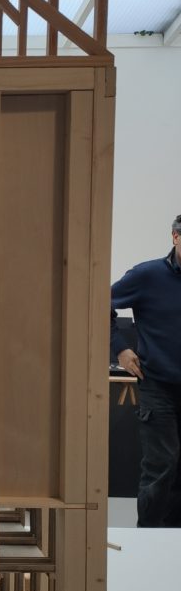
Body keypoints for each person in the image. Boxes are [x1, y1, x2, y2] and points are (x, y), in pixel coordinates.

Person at [110, 215, 181, 527]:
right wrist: (120, 348)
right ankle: (148, 536)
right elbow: (97, 303)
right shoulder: (147, 275)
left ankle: (173, 540)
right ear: (175, 237)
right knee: (162, 464)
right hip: (158, 385)